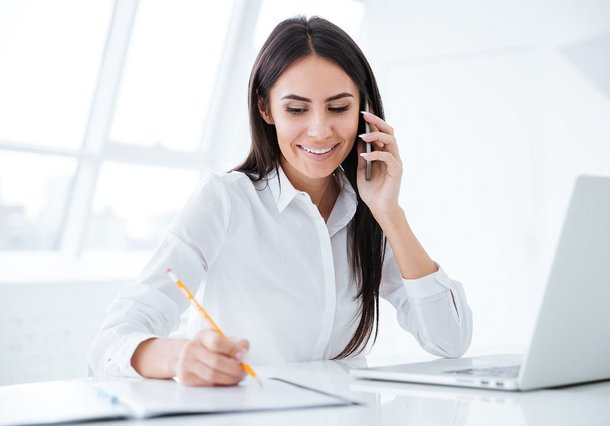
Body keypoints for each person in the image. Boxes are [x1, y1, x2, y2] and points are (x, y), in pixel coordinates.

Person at [88, 16, 472, 386]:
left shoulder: (370, 212)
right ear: (265, 108)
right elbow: (109, 345)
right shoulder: (226, 200)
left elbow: (449, 340)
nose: (320, 130)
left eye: (339, 107)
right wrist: (178, 356)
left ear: (363, 111)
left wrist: (390, 213)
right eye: (296, 109)